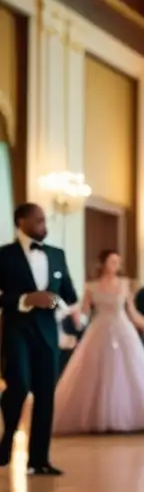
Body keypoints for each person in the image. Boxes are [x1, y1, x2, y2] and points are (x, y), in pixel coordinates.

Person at [53, 250, 144, 435]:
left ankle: (133, 415)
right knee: (97, 372)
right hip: (99, 330)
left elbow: (133, 313)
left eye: (118, 262)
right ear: (103, 263)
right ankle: (96, 417)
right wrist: (73, 315)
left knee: (131, 369)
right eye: (113, 261)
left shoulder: (124, 284)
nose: (116, 265)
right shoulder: (92, 286)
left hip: (123, 330)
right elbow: (84, 312)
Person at [0, 203, 78, 475]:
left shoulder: (57, 255)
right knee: (19, 386)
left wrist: (54, 299)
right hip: (16, 330)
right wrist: (25, 299)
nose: (45, 226)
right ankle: (7, 438)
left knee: (46, 395)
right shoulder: (4, 255)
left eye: (45, 221)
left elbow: (69, 294)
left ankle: (39, 460)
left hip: (47, 332)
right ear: (21, 221)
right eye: (39, 221)